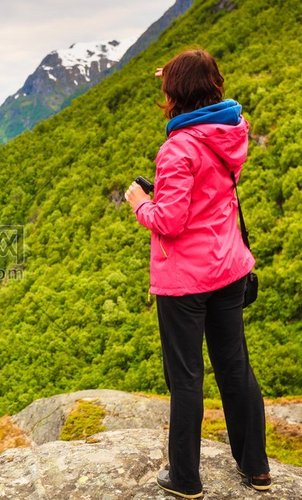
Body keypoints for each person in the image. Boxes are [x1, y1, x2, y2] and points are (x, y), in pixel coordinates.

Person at [124, 49, 271, 499]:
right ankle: (257, 469)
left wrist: (138, 203)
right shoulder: (232, 129)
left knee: (185, 377)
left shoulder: (178, 148)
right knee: (235, 367)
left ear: (176, 96)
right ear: (213, 86)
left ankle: (186, 479)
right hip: (228, 267)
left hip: (185, 281)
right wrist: (177, 74)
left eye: (168, 89)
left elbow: (169, 221)